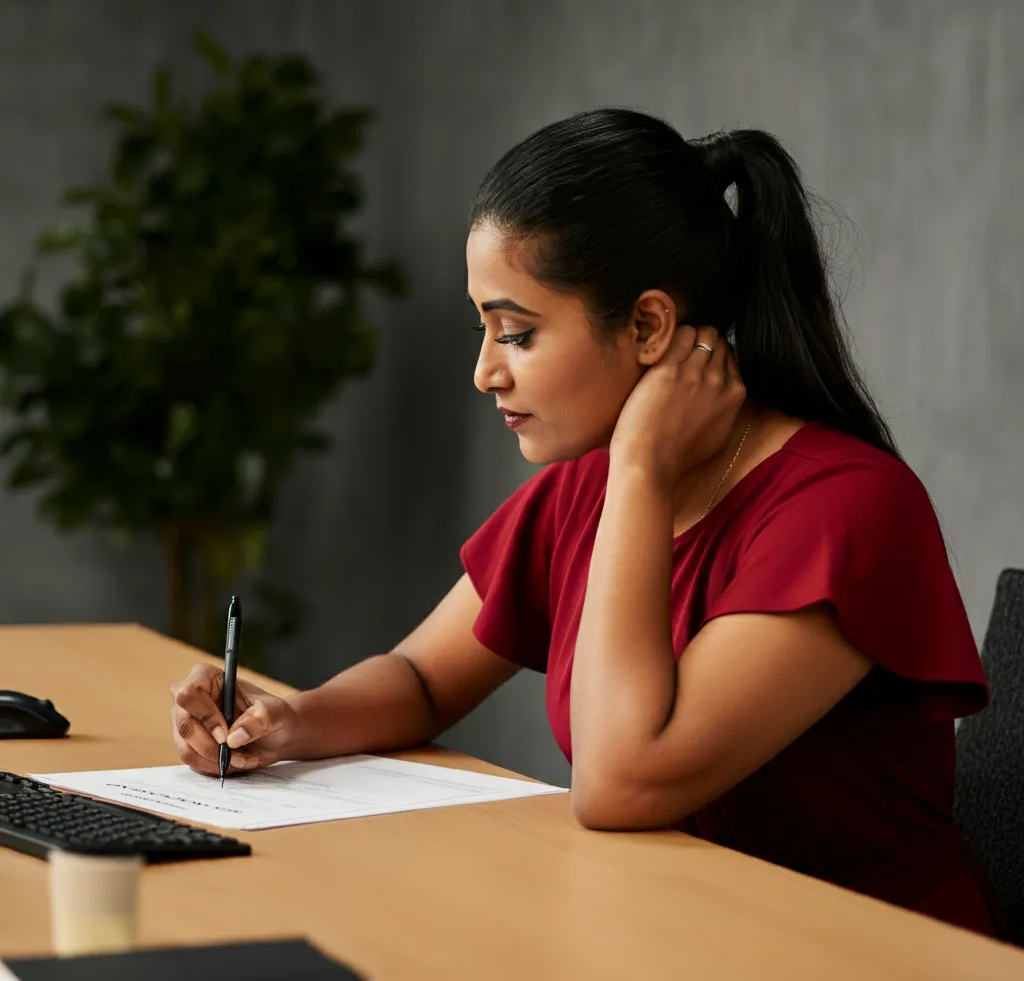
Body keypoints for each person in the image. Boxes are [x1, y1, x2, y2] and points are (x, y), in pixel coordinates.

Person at [170, 108, 1006, 938]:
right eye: (483, 330)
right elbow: (424, 679)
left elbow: (622, 783)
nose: (484, 372)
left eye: (518, 333)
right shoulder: (585, 487)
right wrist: (290, 722)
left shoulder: (845, 509)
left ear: (647, 326)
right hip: (674, 934)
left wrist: (642, 467)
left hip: (859, 952)